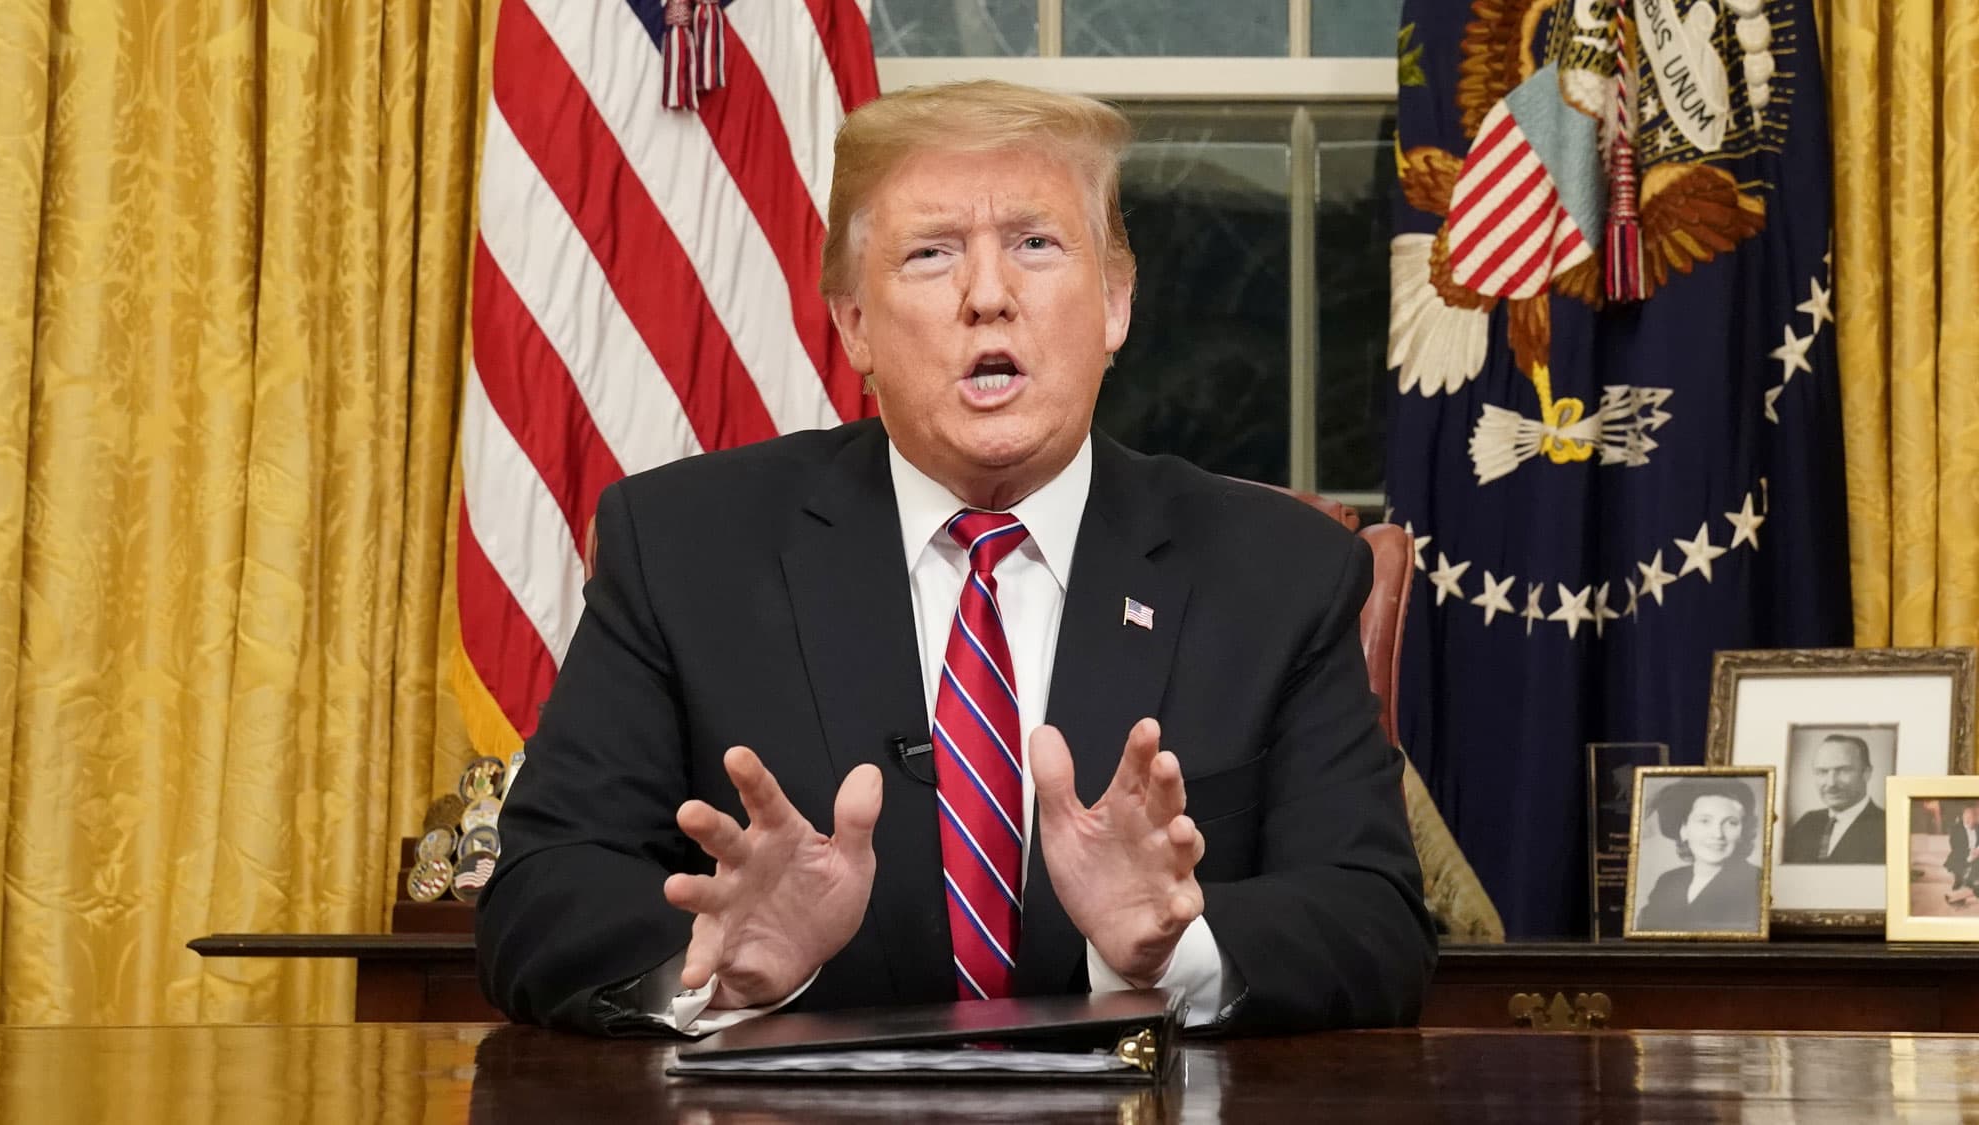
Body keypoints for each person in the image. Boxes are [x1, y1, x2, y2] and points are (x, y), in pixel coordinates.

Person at [474, 80, 1435, 1037]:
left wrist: (1170, 947)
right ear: (854, 326)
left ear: (1114, 304)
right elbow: (539, 896)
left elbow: (1374, 921)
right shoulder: (684, 549)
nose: (987, 296)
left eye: (1035, 244)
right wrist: (725, 968)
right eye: (931, 255)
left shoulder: (1281, 573)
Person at [1634, 778, 1766, 933]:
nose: (1718, 834)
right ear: (1683, 830)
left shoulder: (1757, 881)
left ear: (1743, 832)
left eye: (1731, 823)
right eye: (1704, 821)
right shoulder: (1668, 881)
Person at [1780, 734, 1886, 863]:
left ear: (1866, 773)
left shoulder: (1887, 827)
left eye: (1843, 771)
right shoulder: (1806, 823)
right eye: (1822, 772)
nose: (1831, 783)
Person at [1946, 803, 1979, 908]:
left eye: (1972, 816)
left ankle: (1957, 896)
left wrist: (1977, 851)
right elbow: (1955, 847)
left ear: (1975, 817)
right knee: (1963, 879)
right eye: (1966, 816)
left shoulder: (1977, 827)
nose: (1969, 819)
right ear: (1963, 816)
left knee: (1973, 880)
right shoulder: (1956, 828)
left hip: (1976, 855)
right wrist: (1970, 856)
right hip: (1961, 856)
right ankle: (1958, 892)